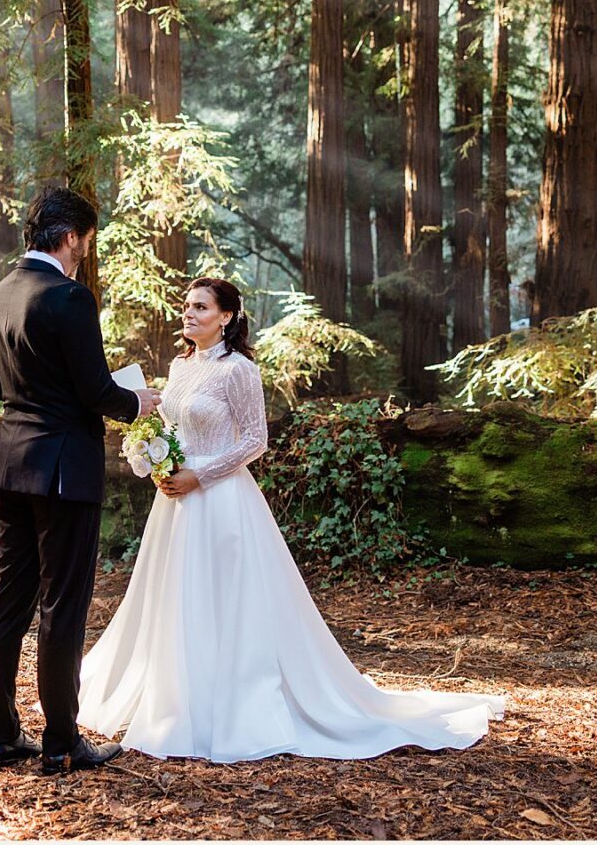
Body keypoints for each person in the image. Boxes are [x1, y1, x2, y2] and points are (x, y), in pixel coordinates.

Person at [76, 277, 505, 762]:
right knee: (175, 596)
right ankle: (176, 695)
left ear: (227, 316)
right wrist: (160, 461)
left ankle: (234, 701)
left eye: (200, 307)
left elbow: (254, 440)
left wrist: (202, 474)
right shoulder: (179, 366)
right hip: (175, 503)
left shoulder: (238, 371)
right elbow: (172, 429)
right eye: (186, 306)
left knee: (227, 598)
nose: (189, 314)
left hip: (221, 500)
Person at [0, 187, 162, 775]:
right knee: (62, 604)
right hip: (63, 471)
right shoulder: (70, 298)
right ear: (68, 237)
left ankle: (2, 736)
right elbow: (96, 392)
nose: (85, 250)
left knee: (10, 601)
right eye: (85, 240)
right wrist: (140, 402)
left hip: (11, 465)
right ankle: (60, 742)